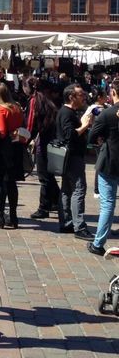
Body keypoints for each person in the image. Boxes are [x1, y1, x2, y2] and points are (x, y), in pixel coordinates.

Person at [56, 84, 94, 240]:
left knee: (67, 189)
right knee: (78, 189)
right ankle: (79, 226)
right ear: (71, 97)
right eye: (80, 95)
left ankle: (67, 222)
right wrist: (85, 125)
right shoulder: (66, 113)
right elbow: (69, 135)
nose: (83, 97)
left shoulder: (67, 112)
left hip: (69, 157)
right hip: (72, 156)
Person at [86, 80, 119, 255]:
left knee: (107, 205)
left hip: (110, 161)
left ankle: (98, 243)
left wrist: (102, 139)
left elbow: (92, 136)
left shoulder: (107, 114)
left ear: (113, 93)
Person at [0, 84, 25, 229]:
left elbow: (2, 131)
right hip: (16, 147)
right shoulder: (16, 107)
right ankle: (13, 215)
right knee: (11, 183)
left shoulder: (1, 109)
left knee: (0, 182)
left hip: (4, 148)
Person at [27, 83, 60, 219]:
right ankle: (58, 202)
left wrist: (27, 138)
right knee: (48, 175)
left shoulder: (35, 101)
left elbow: (30, 123)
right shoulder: (48, 102)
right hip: (49, 140)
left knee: (44, 176)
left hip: (43, 142)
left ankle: (44, 207)